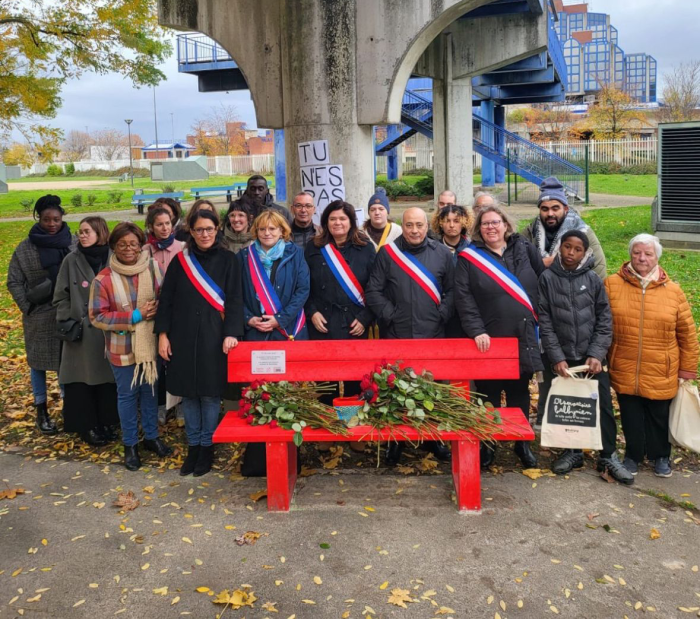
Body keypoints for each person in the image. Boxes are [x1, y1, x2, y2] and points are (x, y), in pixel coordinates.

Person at [537, 230, 633, 484]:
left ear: (585, 253)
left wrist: (597, 354)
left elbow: (604, 319)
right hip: (563, 359)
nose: (570, 253)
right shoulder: (547, 278)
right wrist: (557, 357)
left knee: (602, 406)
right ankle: (572, 452)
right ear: (560, 248)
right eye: (566, 247)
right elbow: (544, 322)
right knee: (568, 409)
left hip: (591, 359)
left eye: (577, 249)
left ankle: (608, 455)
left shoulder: (592, 279)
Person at [455, 204, 544, 470]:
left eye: (495, 222)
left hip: (523, 334)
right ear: (478, 229)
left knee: (520, 393)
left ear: (506, 224)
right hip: (489, 338)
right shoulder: (468, 258)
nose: (491, 227)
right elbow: (463, 298)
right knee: (488, 395)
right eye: (485, 224)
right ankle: (488, 444)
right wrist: (476, 330)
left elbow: (543, 280)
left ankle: (522, 444)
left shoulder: (525, 248)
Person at [156, 210, 244, 477]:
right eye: (199, 230)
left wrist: (232, 332)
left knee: (209, 394)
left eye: (209, 229)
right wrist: (162, 334)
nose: (204, 234)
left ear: (217, 229)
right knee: (188, 394)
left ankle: (207, 446)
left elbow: (235, 299)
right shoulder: (180, 262)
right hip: (182, 336)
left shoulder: (229, 260)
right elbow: (166, 300)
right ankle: (193, 446)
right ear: (190, 232)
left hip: (214, 335)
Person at [605, 234, 699, 478]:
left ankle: (660, 456)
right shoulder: (612, 285)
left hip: (662, 366)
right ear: (629, 254)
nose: (642, 258)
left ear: (657, 256)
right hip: (625, 363)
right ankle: (633, 455)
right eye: (637, 253)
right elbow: (602, 325)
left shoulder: (673, 291)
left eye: (647, 253)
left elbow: (687, 334)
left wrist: (687, 371)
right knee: (630, 412)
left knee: (659, 414)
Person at [366, 207, 454, 465]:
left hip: (433, 333)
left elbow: (453, 290)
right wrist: (390, 315)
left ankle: (434, 439)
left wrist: (442, 314)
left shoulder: (441, 253)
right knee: (396, 388)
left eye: (419, 225)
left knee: (433, 388)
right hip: (397, 333)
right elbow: (374, 291)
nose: (414, 230)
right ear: (401, 226)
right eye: (409, 225)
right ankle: (396, 441)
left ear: (427, 226)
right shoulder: (388, 253)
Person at [89, 222, 172, 471]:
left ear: (141, 245)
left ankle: (151, 438)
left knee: (149, 393)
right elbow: (97, 317)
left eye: (133, 244)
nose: (128, 249)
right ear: (114, 246)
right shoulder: (103, 279)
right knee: (127, 396)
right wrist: (134, 316)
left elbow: (165, 299)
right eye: (122, 244)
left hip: (150, 344)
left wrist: (159, 309)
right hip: (121, 347)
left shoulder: (153, 268)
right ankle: (130, 445)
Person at [7, 195, 74, 435]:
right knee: (38, 364)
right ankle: (41, 408)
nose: (52, 224)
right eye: (47, 220)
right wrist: (28, 306)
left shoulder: (72, 243)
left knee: (65, 361)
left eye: (56, 219)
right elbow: (13, 281)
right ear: (39, 218)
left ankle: (69, 408)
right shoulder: (25, 248)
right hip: (38, 315)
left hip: (66, 313)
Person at [53, 216, 118, 447]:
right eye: (80, 231)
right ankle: (86, 425)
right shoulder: (71, 260)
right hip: (81, 333)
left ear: (100, 232)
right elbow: (60, 295)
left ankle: (107, 421)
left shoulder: (114, 257)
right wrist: (71, 318)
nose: (81, 235)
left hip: (108, 330)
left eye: (87, 231)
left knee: (107, 380)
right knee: (81, 380)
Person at [238, 211, 310, 342]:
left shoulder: (296, 254)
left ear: (282, 231)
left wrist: (280, 319)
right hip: (256, 329)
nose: (266, 233)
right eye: (262, 229)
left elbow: (302, 290)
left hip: (288, 329)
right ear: (256, 231)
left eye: (272, 228)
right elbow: (235, 293)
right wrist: (248, 318)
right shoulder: (243, 256)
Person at [522, 176, 606, 279]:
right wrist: (542, 264)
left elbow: (598, 271)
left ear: (565, 208)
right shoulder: (529, 233)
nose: (550, 214)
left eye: (555, 208)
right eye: (545, 209)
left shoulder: (583, 232)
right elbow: (517, 268)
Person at [145, 206, 185, 274]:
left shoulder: (183, 247)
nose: (165, 228)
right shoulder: (145, 250)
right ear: (151, 227)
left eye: (167, 223)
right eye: (160, 224)